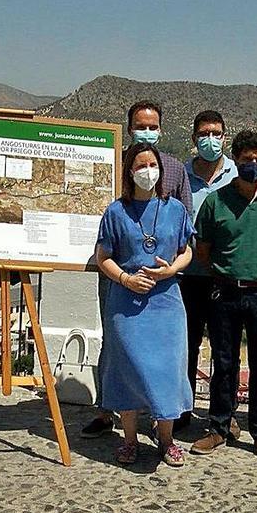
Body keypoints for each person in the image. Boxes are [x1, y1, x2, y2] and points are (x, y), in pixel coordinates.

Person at [82, 100, 192, 438]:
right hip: (122, 287)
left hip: (164, 296)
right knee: (120, 354)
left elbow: (184, 241)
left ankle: (165, 430)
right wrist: (125, 278)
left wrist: (170, 269)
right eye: (141, 126)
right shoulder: (110, 165)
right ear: (129, 127)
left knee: (168, 363)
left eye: (153, 125)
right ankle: (112, 418)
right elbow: (103, 249)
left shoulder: (175, 173)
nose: (147, 170)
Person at [191, 130, 257, 463]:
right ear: (235, 160)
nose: (254, 164)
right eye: (247, 159)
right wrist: (228, 272)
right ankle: (219, 428)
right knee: (223, 364)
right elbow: (204, 249)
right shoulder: (216, 201)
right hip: (224, 292)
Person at [176, 110, 237, 432]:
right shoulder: (180, 175)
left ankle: (222, 414)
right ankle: (182, 407)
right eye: (204, 134)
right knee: (186, 345)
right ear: (194, 139)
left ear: (224, 137)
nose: (210, 140)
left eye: (216, 133)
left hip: (224, 276)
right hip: (187, 275)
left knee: (225, 349)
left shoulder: (237, 174)